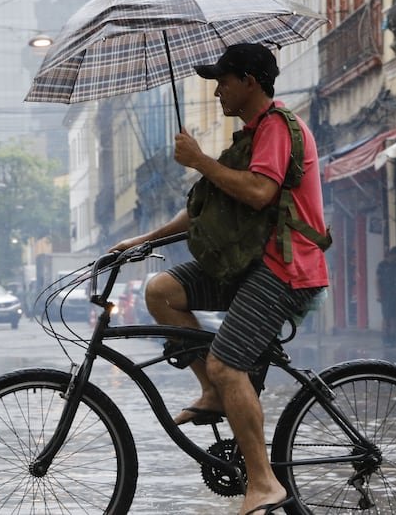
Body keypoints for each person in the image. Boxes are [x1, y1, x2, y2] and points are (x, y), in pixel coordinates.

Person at [113, 43, 329, 515]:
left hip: (286, 268)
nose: (216, 92)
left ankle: (264, 483)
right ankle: (214, 392)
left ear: (249, 81)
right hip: (252, 262)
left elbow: (258, 193)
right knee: (162, 291)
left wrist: (199, 160)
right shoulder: (247, 137)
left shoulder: (275, 127)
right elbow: (205, 208)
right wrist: (143, 241)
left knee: (228, 364)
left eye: (223, 81)